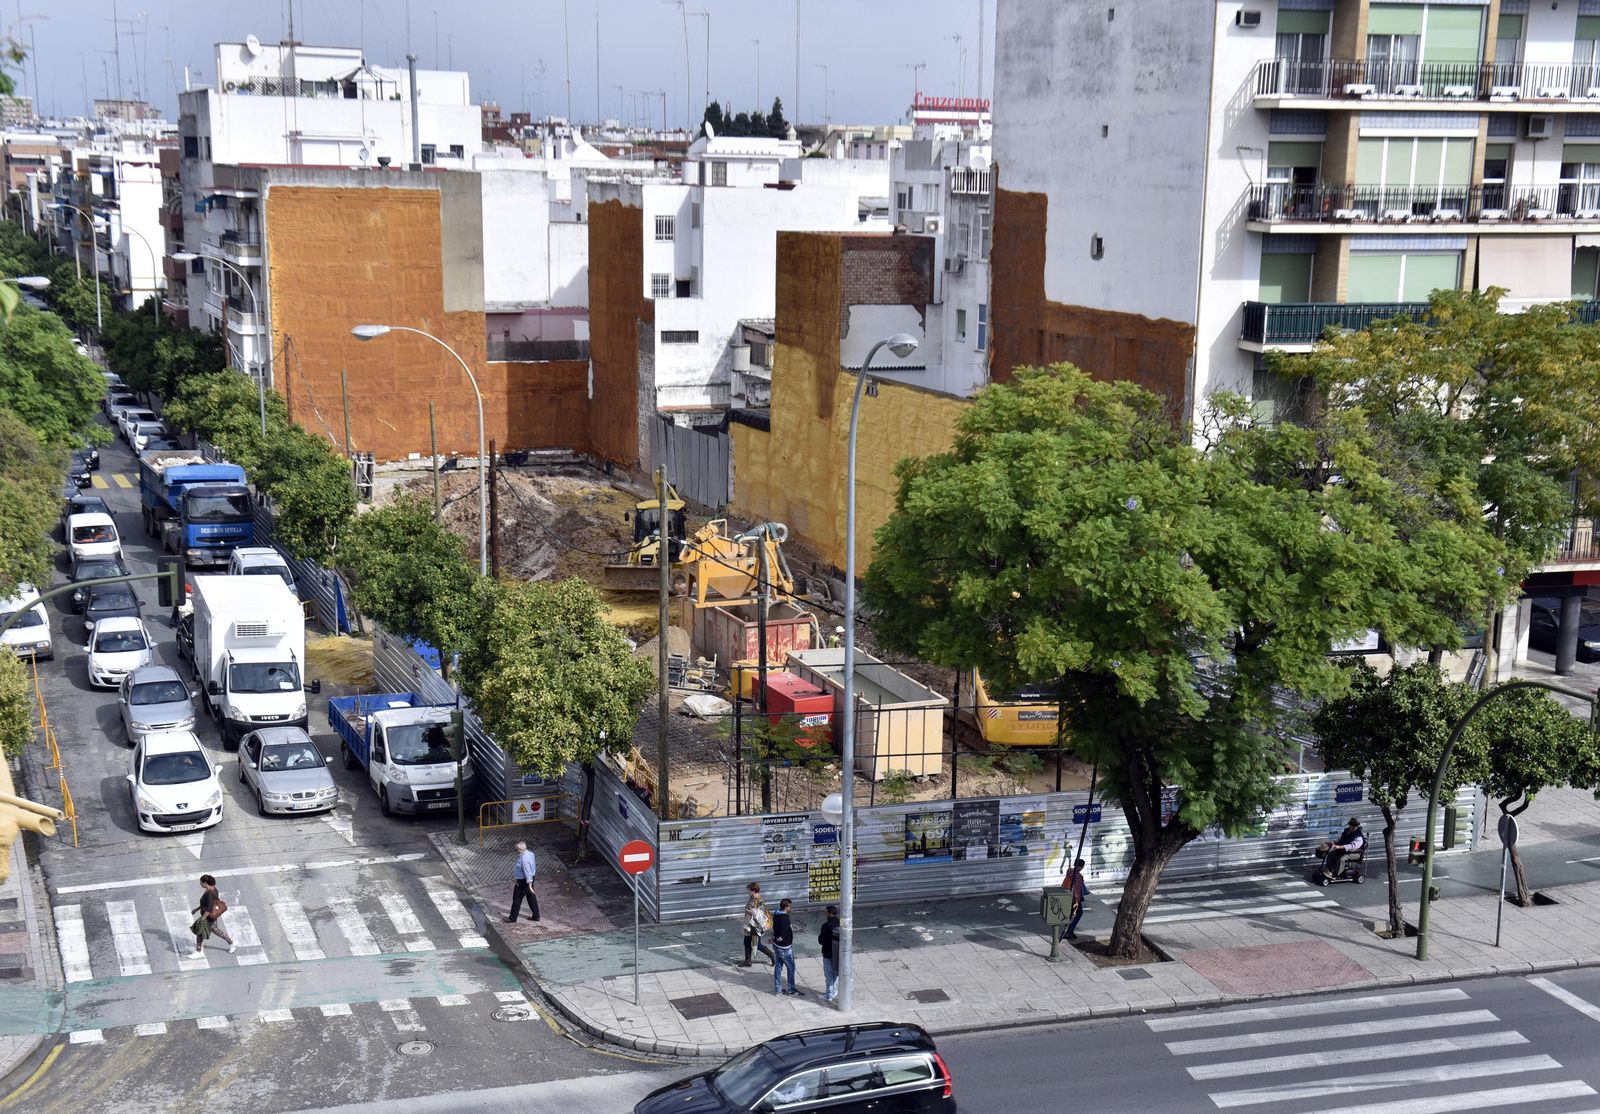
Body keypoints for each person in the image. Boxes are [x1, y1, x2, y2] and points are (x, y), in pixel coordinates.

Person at [190, 874, 235, 957]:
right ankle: (232, 943)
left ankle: (198, 951)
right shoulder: (212, 889)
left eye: (201, 883)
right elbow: (206, 904)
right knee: (215, 929)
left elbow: (209, 909)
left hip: (208, 916)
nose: (200, 884)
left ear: (205, 883)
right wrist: (196, 909)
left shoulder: (209, 894)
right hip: (211, 915)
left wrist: (202, 919)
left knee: (200, 932)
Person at [739, 881, 774, 968]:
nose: (748, 892)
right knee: (746, 942)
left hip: (755, 928)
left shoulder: (759, 900)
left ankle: (772, 956)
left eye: (749, 891)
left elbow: (760, 915)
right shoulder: (752, 898)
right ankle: (748, 961)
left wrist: (750, 912)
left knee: (757, 945)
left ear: (753, 890)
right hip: (749, 926)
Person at [771, 898, 800, 996]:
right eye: (790, 906)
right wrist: (777, 938)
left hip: (776, 947)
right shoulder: (785, 919)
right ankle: (791, 990)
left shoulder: (776, 914)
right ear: (786, 907)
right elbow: (782, 936)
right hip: (784, 948)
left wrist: (774, 939)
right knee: (791, 967)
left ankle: (778, 989)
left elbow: (776, 930)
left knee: (778, 966)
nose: (791, 908)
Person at [507, 840, 540, 922]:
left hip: (523, 881)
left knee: (517, 898)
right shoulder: (530, 854)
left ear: (520, 849)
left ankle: (512, 918)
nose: (516, 851)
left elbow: (527, 872)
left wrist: (529, 885)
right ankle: (536, 916)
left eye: (516, 849)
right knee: (531, 897)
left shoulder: (524, 859)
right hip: (530, 879)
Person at [1062, 858, 1089, 941]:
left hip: (1067, 896)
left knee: (1071, 914)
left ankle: (1069, 930)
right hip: (1074, 898)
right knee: (1079, 913)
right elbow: (1076, 890)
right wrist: (1077, 901)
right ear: (1081, 866)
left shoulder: (1070, 871)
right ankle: (1069, 931)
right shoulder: (1077, 876)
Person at [818, 904, 841, 1003]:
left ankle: (829, 994)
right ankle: (833, 991)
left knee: (828, 975)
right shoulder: (839, 922)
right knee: (835, 973)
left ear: (830, 913)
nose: (825, 914)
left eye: (826, 912)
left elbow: (821, 940)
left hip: (828, 953)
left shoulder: (825, 926)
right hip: (837, 953)